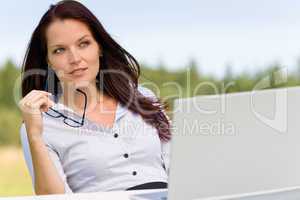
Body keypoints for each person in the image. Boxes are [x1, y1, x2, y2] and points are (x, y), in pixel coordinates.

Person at [18, 0, 171, 195]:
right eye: (60, 50)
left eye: (84, 44)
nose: (74, 59)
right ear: (48, 60)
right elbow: (53, 199)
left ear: (99, 47)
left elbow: (180, 171)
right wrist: (35, 135)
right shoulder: (40, 125)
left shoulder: (143, 97)